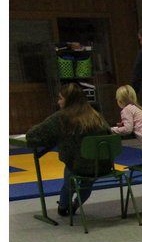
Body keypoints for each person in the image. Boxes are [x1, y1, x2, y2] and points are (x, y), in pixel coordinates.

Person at [25, 83, 111, 217]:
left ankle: (63, 206)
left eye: (60, 98)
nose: (58, 102)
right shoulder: (96, 115)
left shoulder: (62, 117)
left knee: (69, 182)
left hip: (78, 166)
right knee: (87, 181)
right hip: (102, 166)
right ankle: (75, 204)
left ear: (69, 100)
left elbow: (33, 135)